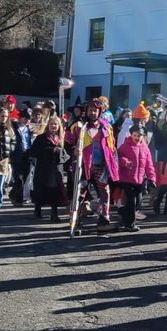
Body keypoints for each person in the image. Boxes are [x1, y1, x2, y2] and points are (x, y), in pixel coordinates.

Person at [66, 98, 120, 232]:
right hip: (83, 165)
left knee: (104, 193)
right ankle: (75, 223)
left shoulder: (107, 127)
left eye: (95, 110)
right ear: (86, 111)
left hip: (100, 166)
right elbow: (67, 142)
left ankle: (103, 221)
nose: (93, 113)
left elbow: (112, 146)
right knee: (79, 194)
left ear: (100, 112)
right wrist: (73, 149)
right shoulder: (78, 126)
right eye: (90, 110)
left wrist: (113, 163)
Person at [117, 124, 156, 232]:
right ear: (131, 135)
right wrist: (125, 162)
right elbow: (116, 158)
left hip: (139, 180)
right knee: (131, 201)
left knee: (138, 201)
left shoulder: (145, 148)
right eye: (135, 135)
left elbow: (149, 165)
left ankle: (122, 211)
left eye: (139, 135)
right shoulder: (125, 146)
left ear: (143, 136)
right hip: (127, 178)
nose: (137, 137)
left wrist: (152, 178)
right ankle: (130, 224)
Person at [30, 114, 68, 221]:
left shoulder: (60, 139)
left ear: (59, 126)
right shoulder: (41, 138)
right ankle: (37, 210)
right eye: (51, 124)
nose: (53, 126)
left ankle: (54, 213)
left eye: (56, 124)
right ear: (48, 125)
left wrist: (60, 152)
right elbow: (33, 152)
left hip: (56, 169)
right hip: (43, 168)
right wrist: (50, 150)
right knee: (40, 189)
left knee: (55, 190)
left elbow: (66, 154)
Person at [9, 108, 34, 206]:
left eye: (28, 118)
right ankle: (17, 200)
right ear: (20, 117)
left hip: (27, 155)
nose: (27, 120)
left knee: (24, 177)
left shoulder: (30, 129)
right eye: (25, 118)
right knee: (18, 177)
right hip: (17, 155)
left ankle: (13, 194)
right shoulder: (13, 127)